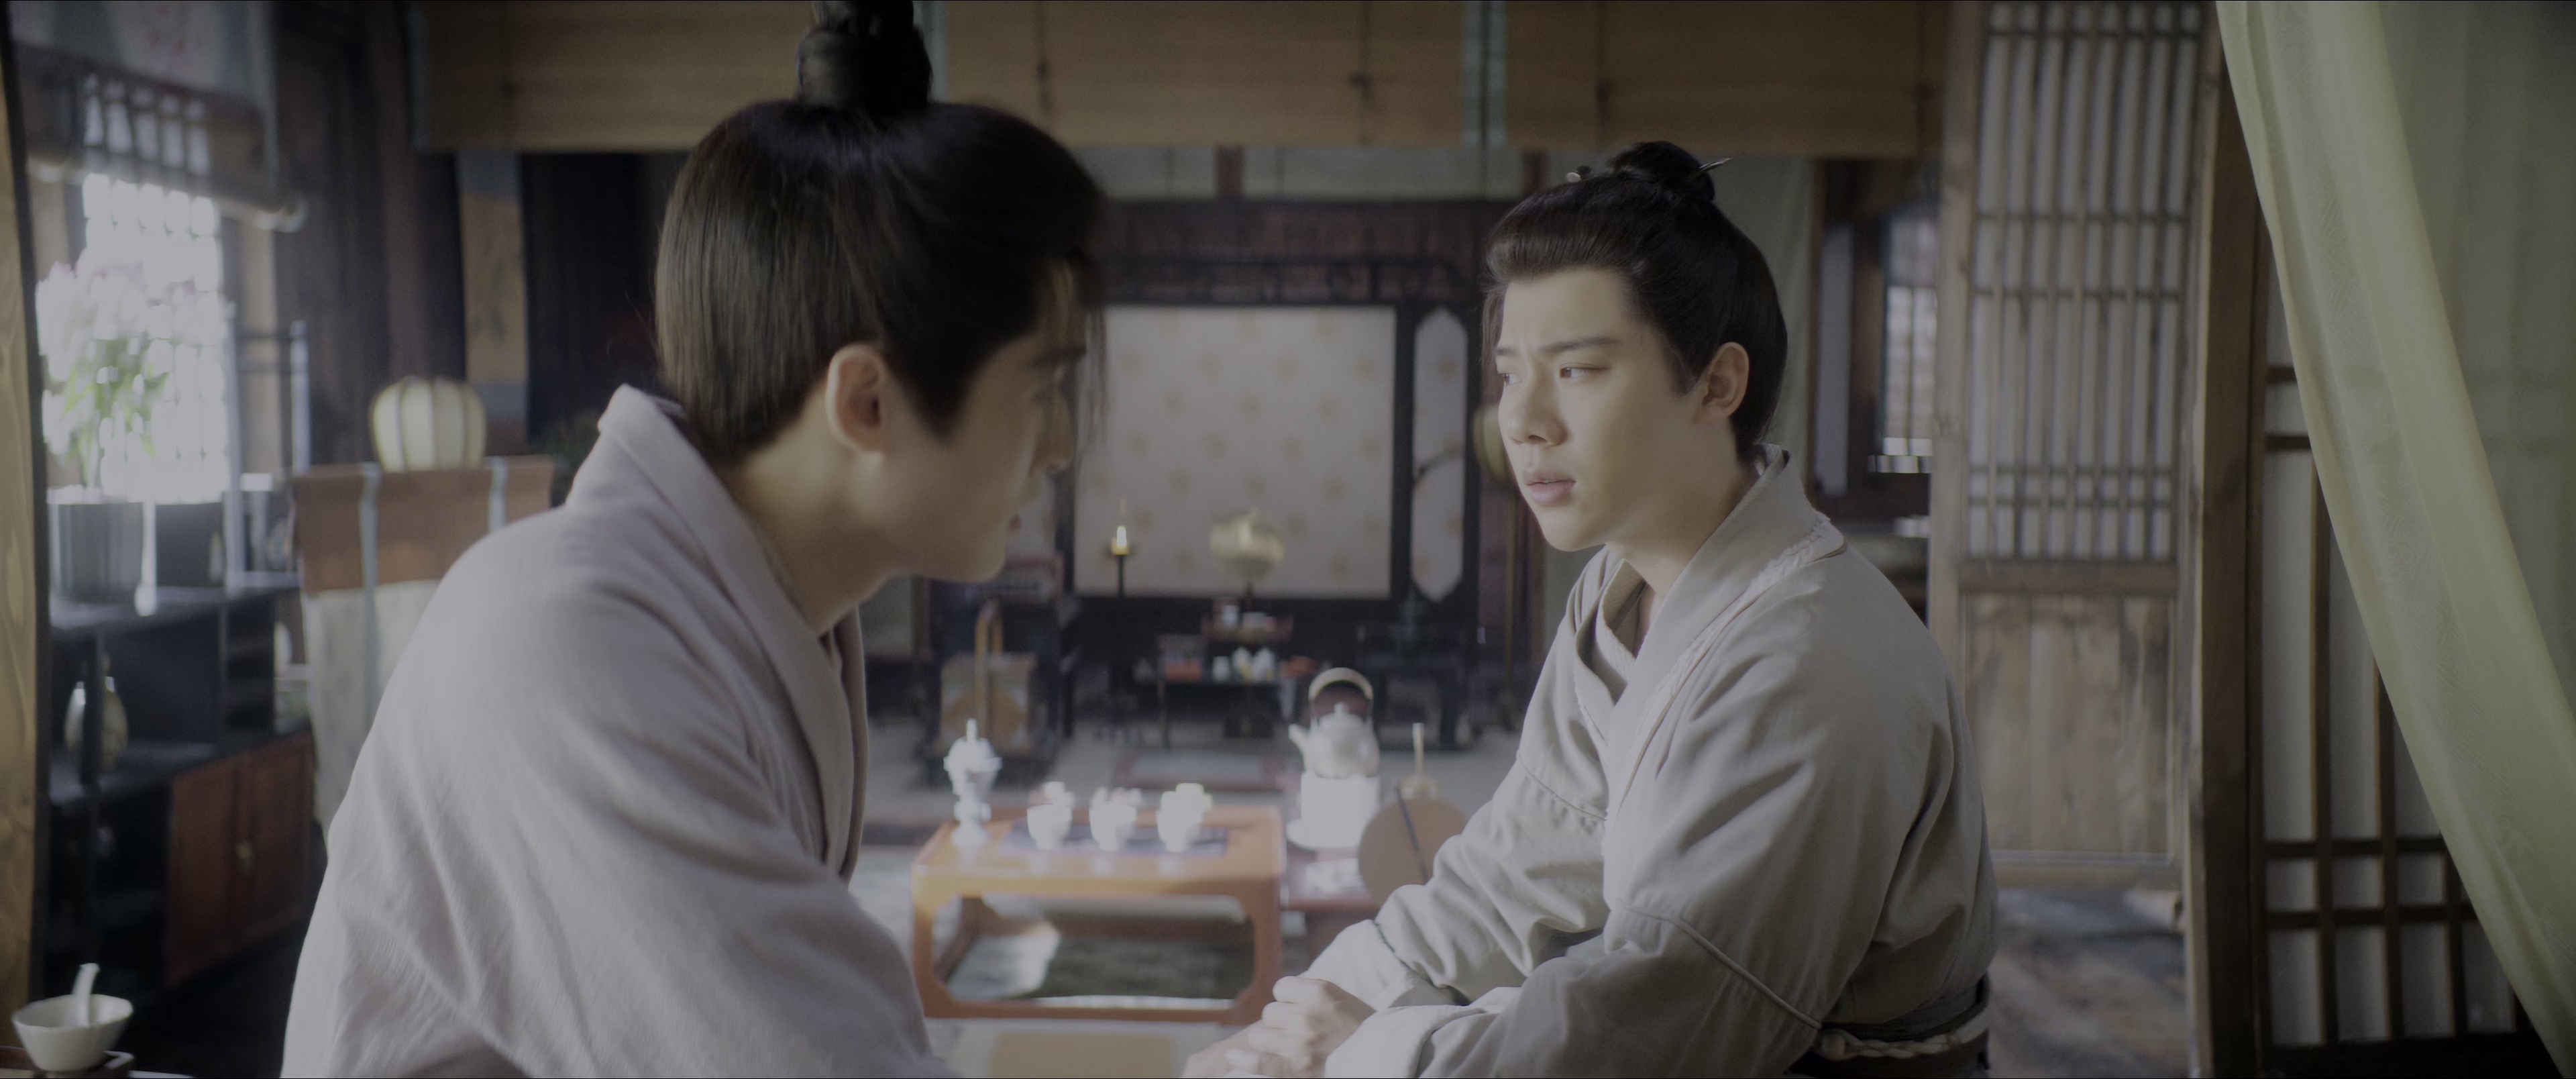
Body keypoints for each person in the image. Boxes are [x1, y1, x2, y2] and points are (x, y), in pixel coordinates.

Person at [281, 3, 1099, 1074]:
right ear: (866, 403)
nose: (1061, 445)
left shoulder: (759, 611)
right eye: (1040, 390)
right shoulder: (565, 639)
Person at [1196, 144, 1996, 1078]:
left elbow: (1666, 1025)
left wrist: (1373, 1047)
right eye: (1509, 373)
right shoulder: (1623, 584)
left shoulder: (1809, 662)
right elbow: (1519, 863)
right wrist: (1314, 1013)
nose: (1523, 420)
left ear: (1717, 385)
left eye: (1576, 370)